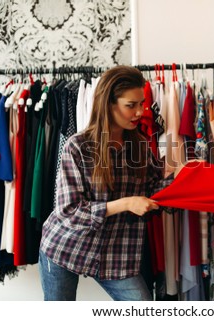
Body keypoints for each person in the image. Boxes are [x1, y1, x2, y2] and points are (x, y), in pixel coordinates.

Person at [38, 66, 182, 301]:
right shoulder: (78, 147)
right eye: (131, 105)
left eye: (141, 103)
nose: (139, 112)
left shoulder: (140, 146)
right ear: (109, 104)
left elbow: (154, 189)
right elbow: (69, 211)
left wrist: (179, 179)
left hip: (116, 255)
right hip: (65, 248)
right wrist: (124, 204)